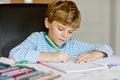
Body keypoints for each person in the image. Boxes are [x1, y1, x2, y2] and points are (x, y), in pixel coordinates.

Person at [9, 0, 113, 63]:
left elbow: (106, 48)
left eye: (70, 31)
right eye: (60, 28)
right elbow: (14, 54)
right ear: (48, 23)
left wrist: (95, 54)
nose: (65, 35)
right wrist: (50, 56)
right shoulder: (37, 39)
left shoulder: (72, 44)